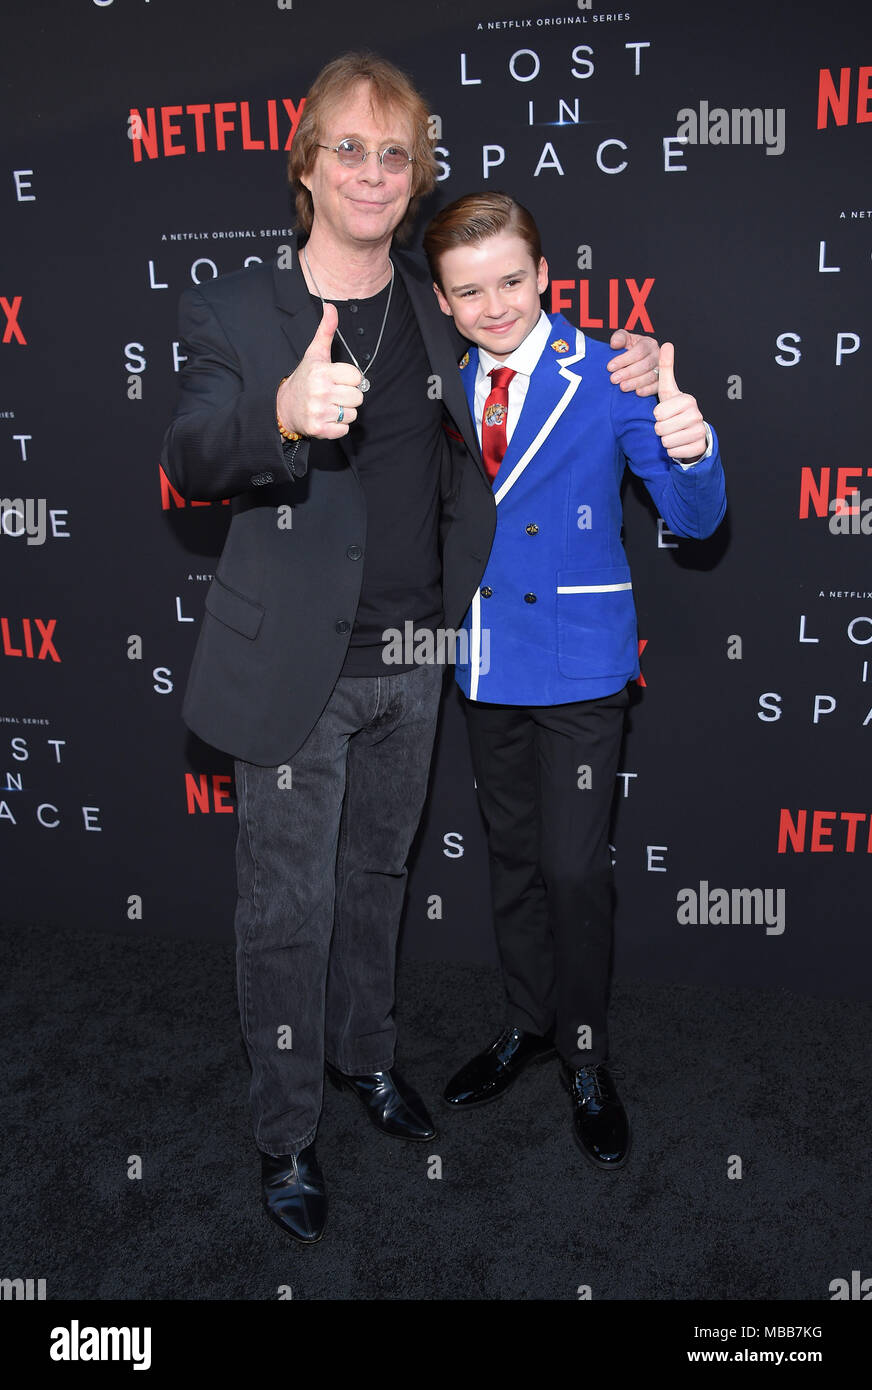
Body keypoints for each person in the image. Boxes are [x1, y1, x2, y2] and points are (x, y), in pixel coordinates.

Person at [161, 53, 660, 1242]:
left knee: (376, 885)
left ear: (415, 171)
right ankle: (286, 1134)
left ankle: (363, 1059)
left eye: (395, 154)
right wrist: (278, 414)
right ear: (306, 165)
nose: (373, 173)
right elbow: (187, 456)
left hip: (418, 657)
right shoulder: (234, 307)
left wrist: (636, 369)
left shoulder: (438, 311)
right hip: (291, 668)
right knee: (285, 912)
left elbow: (537, 349)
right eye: (349, 149)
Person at [423, 191, 727, 1170]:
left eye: (510, 279)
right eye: (469, 290)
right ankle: (526, 1022)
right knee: (511, 863)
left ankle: (584, 1059)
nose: (495, 303)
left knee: (569, 869)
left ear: (544, 275)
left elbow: (696, 513)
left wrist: (690, 440)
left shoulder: (609, 372)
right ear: (442, 297)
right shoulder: (438, 387)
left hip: (582, 663)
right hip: (485, 662)